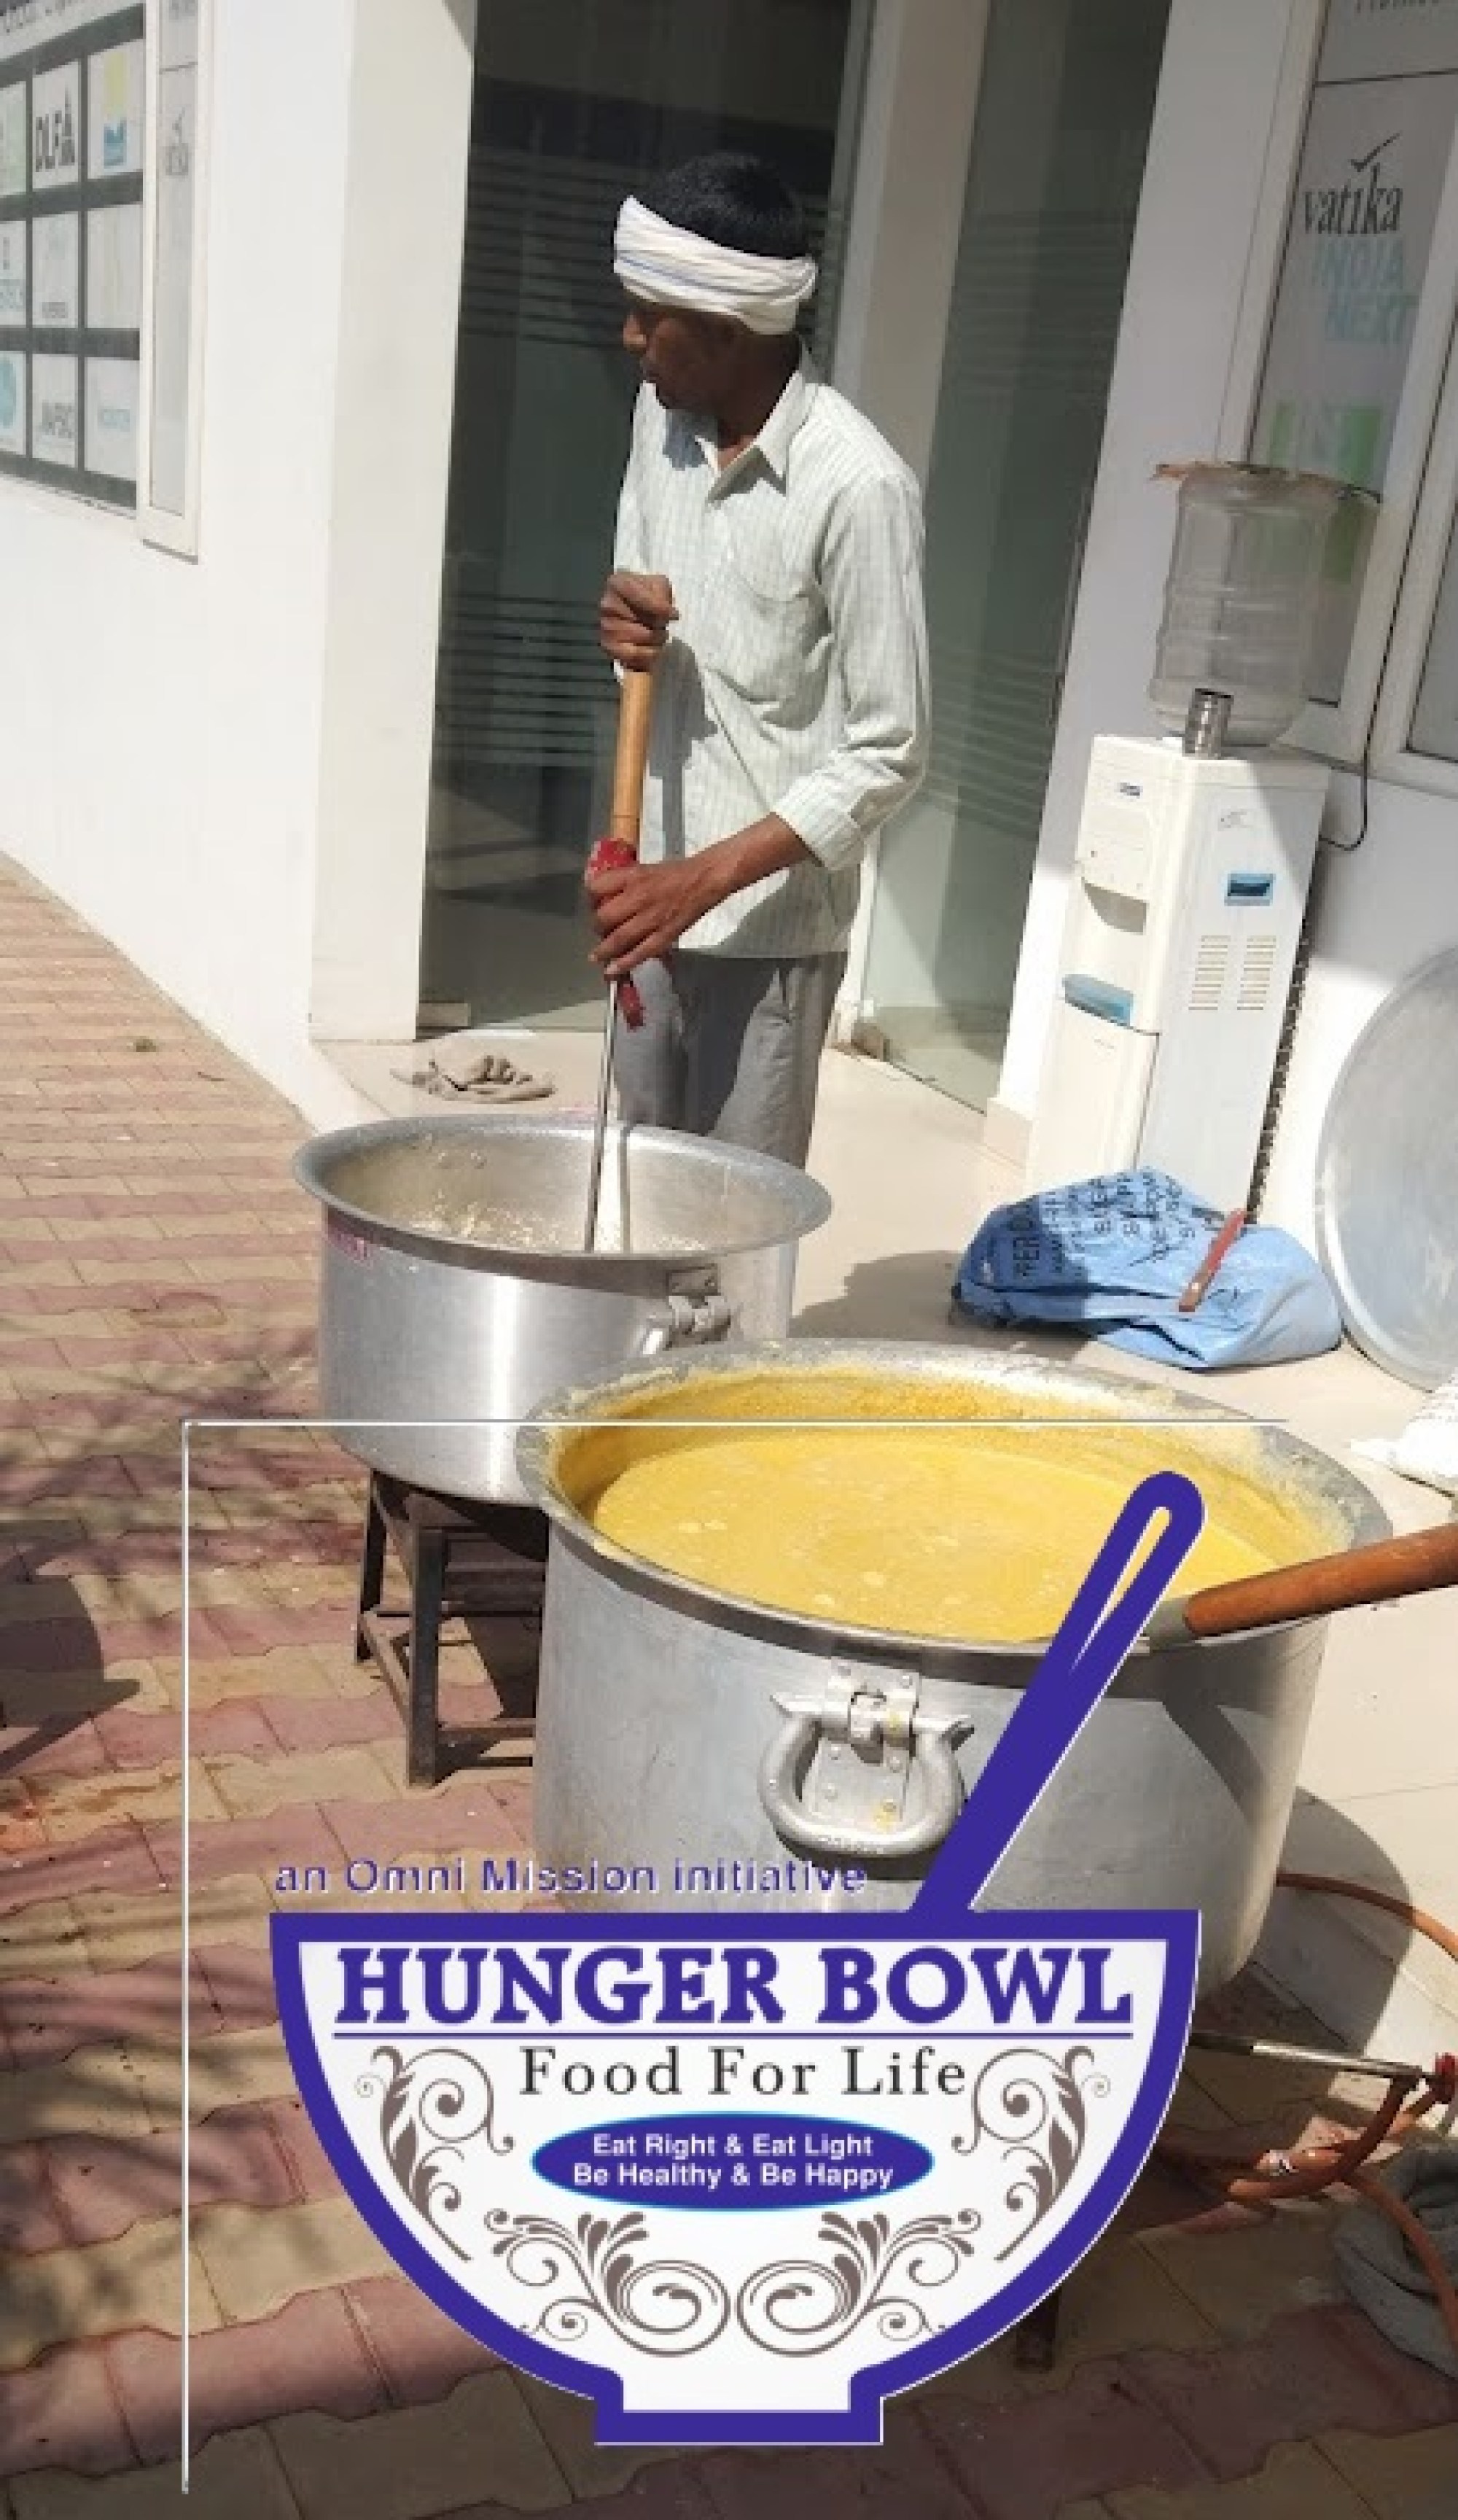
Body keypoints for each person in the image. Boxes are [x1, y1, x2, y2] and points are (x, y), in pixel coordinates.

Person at [588, 150, 929, 1170]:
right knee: (633, 1195)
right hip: (646, 895)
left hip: (767, 936)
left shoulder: (859, 486)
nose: (629, 338)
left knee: (734, 1225)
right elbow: (635, 608)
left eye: (650, 316)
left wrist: (701, 882)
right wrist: (623, 630)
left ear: (729, 329)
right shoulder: (659, 419)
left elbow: (892, 750)